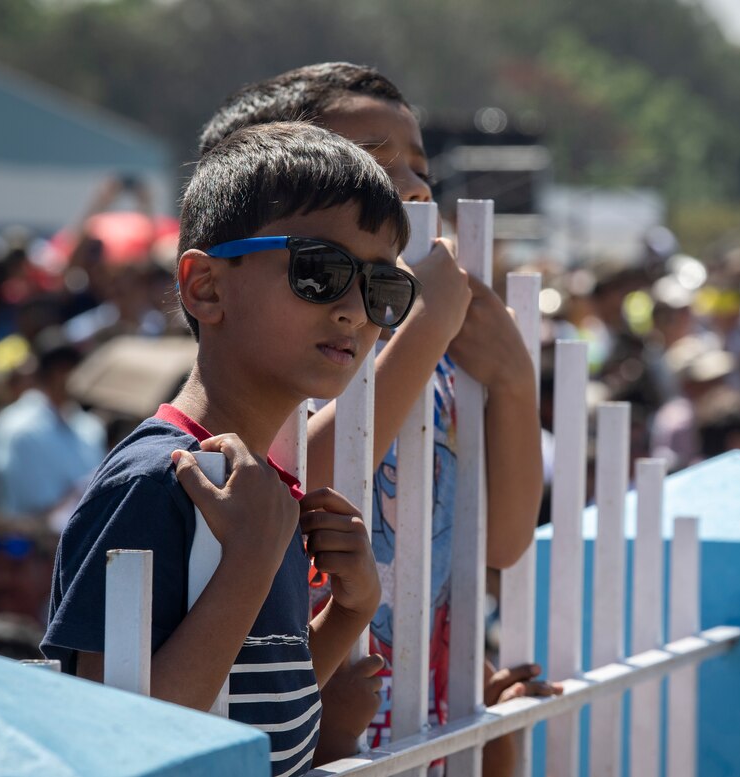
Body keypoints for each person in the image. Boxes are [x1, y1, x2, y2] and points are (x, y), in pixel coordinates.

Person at [198, 63, 551, 772]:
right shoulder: (294, 341)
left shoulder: (439, 349)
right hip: (317, 701)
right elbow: (288, 483)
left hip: (425, 695)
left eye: (420, 169)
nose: (415, 188)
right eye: (374, 160)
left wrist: (513, 376)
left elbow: (503, 540)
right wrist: (425, 328)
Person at [42, 121, 404, 776]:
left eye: (383, 287)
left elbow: (245, 696)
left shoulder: (259, 492)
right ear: (205, 287)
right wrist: (250, 561)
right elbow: (113, 743)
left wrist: (350, 612)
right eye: (319, 271)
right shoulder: (158, 480)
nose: (355, 308)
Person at [0, 329, 107, 523]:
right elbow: (34, 511)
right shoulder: (18, 427)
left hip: (82, 539)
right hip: (27, 546)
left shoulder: (89, 426)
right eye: (64, 368)